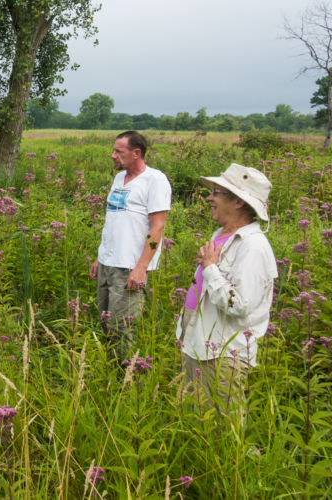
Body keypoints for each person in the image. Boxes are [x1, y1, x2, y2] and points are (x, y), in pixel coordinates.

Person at [176, 163, 275, 419]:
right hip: (199, 341)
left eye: (217, 191)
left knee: (225, 429)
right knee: (198, 422)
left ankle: (244, 461)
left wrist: (210, 268)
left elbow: (240, 305)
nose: (210, 197)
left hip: (223, 352)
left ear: (239, 201)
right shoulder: (220, 234)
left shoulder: (253, 246)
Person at [89, 131, 171, 362]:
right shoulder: (119, 179)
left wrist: (141, 267)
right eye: (114, 150)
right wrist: (99, 256)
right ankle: (110, 371)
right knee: (105, 322)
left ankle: (126, 377)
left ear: (136, 153)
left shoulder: (155, 180)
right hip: (108, 262)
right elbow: (113, 221)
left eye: (119, 151)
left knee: (122, 328)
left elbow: (157, 227)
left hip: (129, 267)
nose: (112, 155)